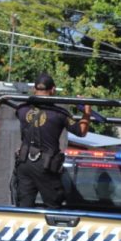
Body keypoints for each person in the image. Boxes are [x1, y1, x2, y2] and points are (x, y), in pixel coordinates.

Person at [15, 73, 91, 208]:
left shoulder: (22, 109)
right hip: (46, 166)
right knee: (54, 206)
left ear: (34, 89)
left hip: (24, 163)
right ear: (53, 90)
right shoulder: (59, 113)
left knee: (24, 206)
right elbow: (82, 131)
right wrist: (87, 112)